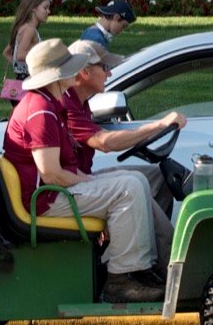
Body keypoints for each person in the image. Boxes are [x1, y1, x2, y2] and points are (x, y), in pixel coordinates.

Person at [1, 38, 165, 304]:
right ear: (59, 75)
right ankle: (120, 281)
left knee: (135, 179)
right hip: (45, 199)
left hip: (49, 193)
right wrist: (87, 180)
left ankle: (141, 270)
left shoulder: (49, 105)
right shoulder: (40, 111)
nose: (75, 73)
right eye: (69, 68)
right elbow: (51, 173)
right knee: (129, 187)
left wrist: (87, 180)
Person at [62, 43, 184, 245]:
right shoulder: (67, 104)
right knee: (135, 186)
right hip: (71, 184)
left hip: (81, 178)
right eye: (105, 68)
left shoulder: (81, 102)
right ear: (84, 72)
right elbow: (105, 143)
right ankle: (168, 259)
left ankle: (147, 249)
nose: (109, 75)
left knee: (159, 176)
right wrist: (160, 124)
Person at [2, 0, 52, 105]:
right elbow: (20, 55)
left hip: (19, 83)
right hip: (29, 85)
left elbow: (7, 52)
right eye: (45, 8)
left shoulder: (22, 28)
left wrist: (20, 68)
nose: (48, 11)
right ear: (33, 8)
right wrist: (44, 58)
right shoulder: (30, 30)